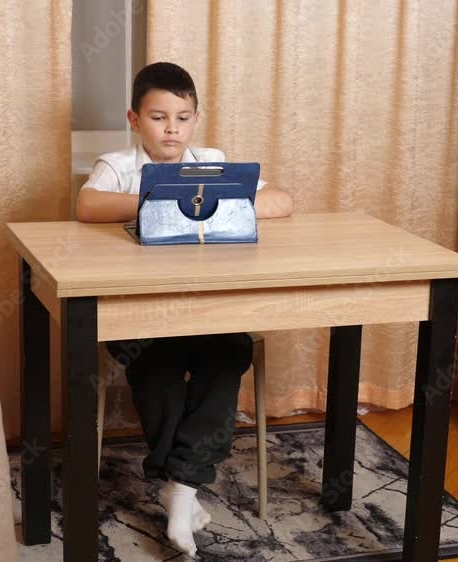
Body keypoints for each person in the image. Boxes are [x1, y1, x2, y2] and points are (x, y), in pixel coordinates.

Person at [76, 61, 293, 556]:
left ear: (196, 119)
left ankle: (180, 486)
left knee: (228, 354)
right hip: (140, 315)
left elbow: (281, 201)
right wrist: (165, 200)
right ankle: (184, 486)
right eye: (158, 118)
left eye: (182, 117)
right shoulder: (118, 166)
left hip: (208, 310)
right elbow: (87, 206)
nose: (171, 129)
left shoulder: (212, 161)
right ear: (135, 120)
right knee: (157, 367)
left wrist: (213, 200)